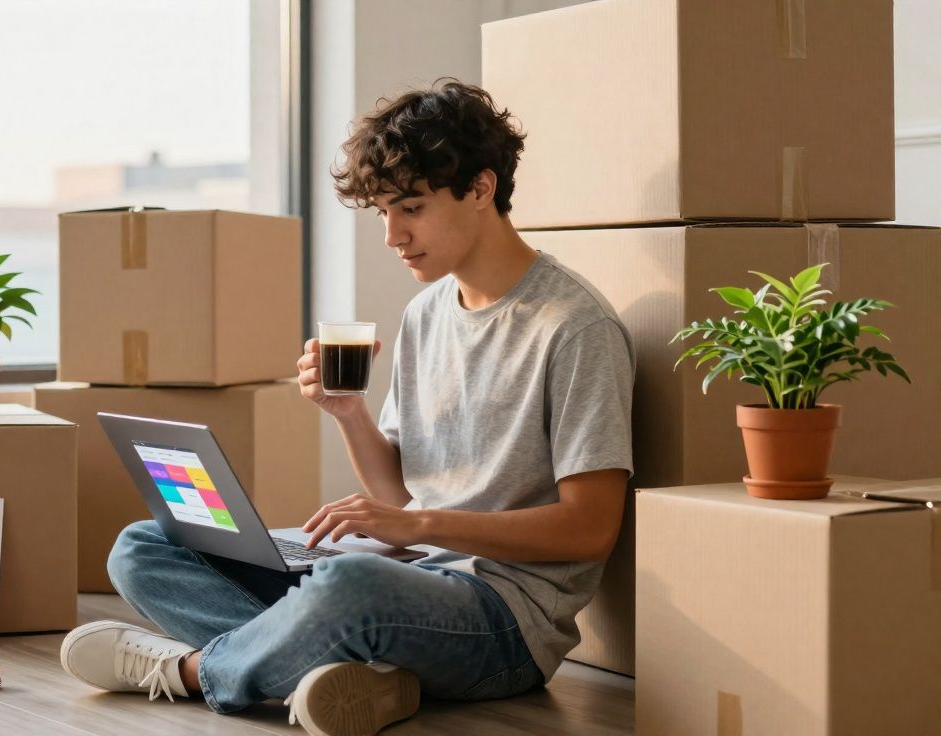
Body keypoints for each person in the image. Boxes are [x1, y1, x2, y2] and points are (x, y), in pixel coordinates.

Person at [58, 79, 635, 736]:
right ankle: (353, 674)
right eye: (383, 212)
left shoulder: (574, 328)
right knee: (145, 546)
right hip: (405, 573)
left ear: (480, 188)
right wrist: (348, 414)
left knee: (350, 586)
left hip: (502, 620)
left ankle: (192, 671)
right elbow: (398, 493)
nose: (393, 235)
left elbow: (590, 529)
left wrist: (417, 526)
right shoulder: (426, 313)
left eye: (410, 207)